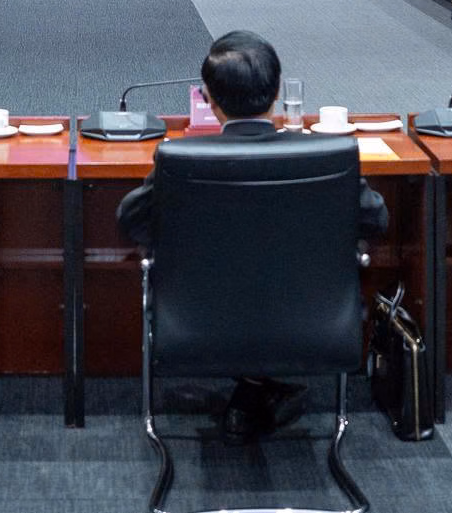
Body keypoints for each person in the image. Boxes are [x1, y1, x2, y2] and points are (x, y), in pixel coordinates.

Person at [119, 30, 384, 444]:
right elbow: (376, 219)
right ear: (277, 93)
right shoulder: (327, 158)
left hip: (195, 323)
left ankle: (254, 388)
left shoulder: (181, 160)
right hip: (315, 321)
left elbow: (131, 220)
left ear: (208, 99)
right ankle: (260, 387)